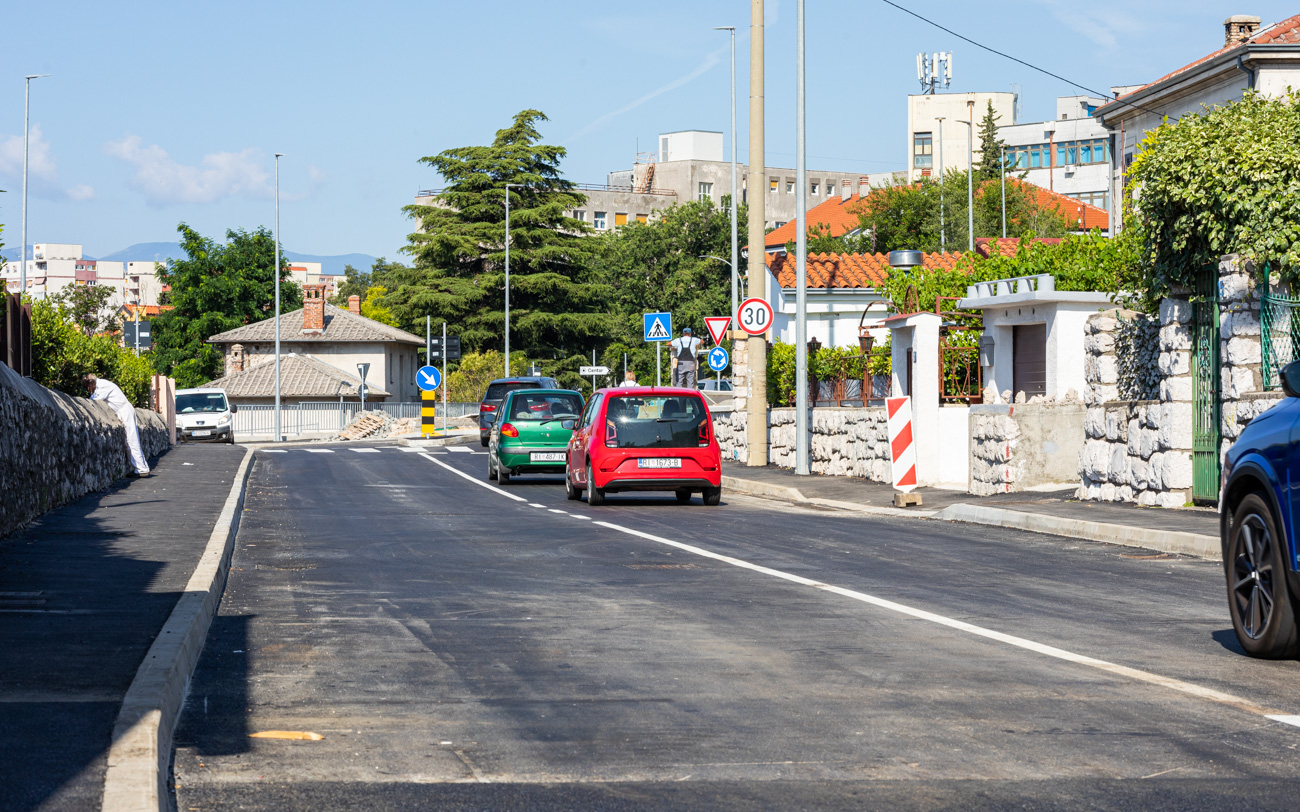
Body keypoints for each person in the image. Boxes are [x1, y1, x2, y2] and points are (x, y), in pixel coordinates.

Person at [83, 374, 150, 477]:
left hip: (125, 411)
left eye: (88, 387)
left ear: (91, 383)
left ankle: (141, 469)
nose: (89, 390)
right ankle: (140, 468)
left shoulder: (103, 386)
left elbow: (94, 399)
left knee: (132, 440)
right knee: (130, 440)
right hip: (123, 411)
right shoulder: (101, 385)